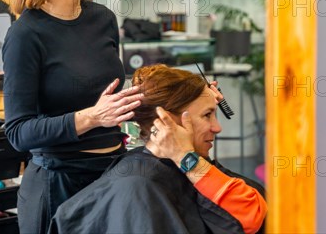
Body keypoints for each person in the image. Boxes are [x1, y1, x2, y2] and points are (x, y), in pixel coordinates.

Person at [3, 0, 143, 234]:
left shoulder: (104, 19)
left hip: (113, 176)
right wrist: (91, 118)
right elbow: (18, 132)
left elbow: (110, 100)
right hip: (58, 187)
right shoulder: (26, 34)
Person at [50, 64, 267, 234]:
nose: (217, 128)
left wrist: (185, 156)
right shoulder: (137, 185)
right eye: (207, 115)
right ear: (167, 119)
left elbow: (251, 213)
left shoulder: (190, 162)